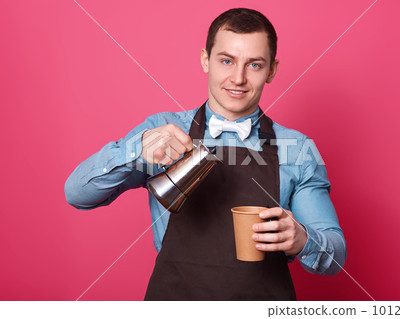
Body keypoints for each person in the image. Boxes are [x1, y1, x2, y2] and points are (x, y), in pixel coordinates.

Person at [65, 8, 347, 301]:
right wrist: (135, 148)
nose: (237, 78)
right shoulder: (163, 129)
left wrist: (303, 239)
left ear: (271, 70)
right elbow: (77, 194)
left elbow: (336, 256)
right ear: (205, 60)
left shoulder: (298, 149)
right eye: (226, 61)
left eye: (254, 65)